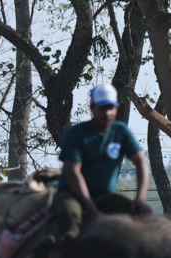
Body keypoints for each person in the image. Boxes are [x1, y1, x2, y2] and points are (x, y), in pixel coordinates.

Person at [54, 84, 150, 238]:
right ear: (92, 108)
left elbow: (141, 163)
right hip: (73, 195)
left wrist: (140, 199)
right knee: (70, 216)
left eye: (111, 108)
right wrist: (93, 211)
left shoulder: (121, 131)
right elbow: (73, 172)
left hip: (105, 195)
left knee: (138, 217)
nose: (108, 113)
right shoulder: (76, 133)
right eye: (103, 108)